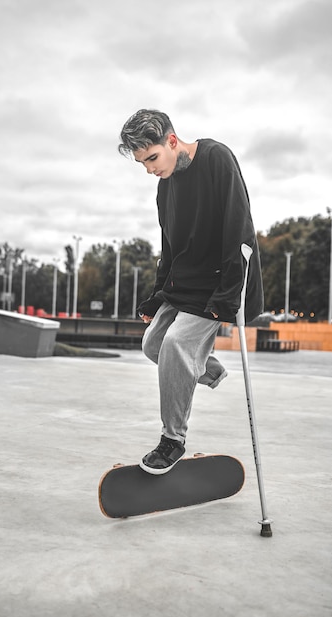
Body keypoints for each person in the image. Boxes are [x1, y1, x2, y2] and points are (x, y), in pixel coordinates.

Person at [118, 109, 263, 475]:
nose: (150, 169)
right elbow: (169, 247)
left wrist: (228, 296)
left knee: (176, 346)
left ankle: (173, 440)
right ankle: (206, 370)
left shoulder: (216, 158)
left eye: (152, 158)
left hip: (217, 285)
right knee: (153, 345)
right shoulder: (164, 188)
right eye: (142, 163)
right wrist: (156, 295)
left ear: (171, 140)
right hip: (183, 285)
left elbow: (239, 229)